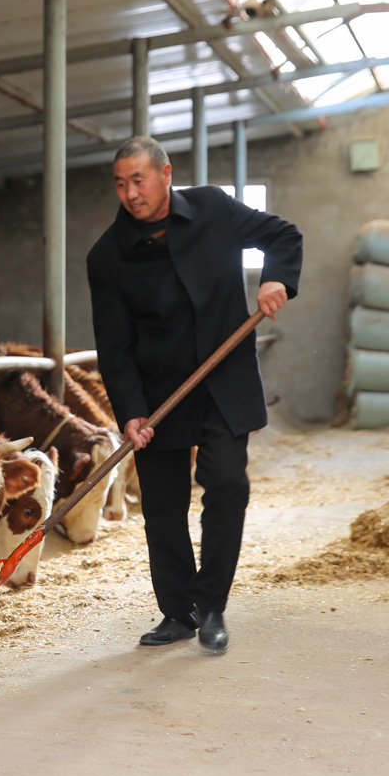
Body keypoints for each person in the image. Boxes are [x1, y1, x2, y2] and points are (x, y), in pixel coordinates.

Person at [87, 136, 302, 654]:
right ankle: (176, 612)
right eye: (120, 184)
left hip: (222, 379)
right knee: (162, 506)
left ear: (165, 173)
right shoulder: (108, 256)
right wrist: (131, 413)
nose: (130, 194)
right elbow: (114, 346)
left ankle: (211, 606)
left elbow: (283, 235)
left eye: (138, 180)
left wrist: (275, 280)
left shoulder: (212, 208)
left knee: (227, 484)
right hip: (159, 391)